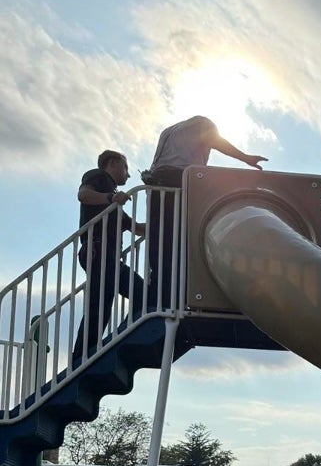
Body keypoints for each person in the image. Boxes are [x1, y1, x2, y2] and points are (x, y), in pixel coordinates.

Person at [141, 116, 268, 304]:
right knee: (184, 239)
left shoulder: (169, 130)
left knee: (160, 242)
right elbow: (214, 140)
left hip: (156, 185)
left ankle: (158, 295)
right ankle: (176, 295)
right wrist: (245, 158)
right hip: (179, 181)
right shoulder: (203, 123)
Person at [73, 151, 146, 364]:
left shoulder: (115, 206)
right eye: (125, 167)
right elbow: (84, 194)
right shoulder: (98, 177)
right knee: (100, 305)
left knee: (143, 294)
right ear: (112, 163)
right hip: (97, 252)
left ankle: (122, 333)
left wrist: (164, 223)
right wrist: (110, 198)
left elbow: (137, 228)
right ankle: (81, 357)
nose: (129, 175)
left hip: (109, 259)